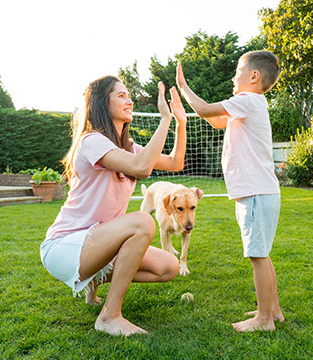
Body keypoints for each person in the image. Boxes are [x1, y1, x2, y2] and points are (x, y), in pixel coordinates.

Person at [40, 76, 187, 337]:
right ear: (100, 103)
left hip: (98, 244)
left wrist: (179, 122)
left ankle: (93, 284)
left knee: (169, 267)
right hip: (65, 247)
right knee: (143, 222)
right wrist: (163, 120)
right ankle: (109, 316)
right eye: (121, 95)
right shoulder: (91, 141)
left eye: (128, 94)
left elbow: (176, 163)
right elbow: (142, 168)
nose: (129, 99)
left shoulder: (129, 148)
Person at [176, 50, 284, 332]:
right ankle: (273, 310)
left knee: (257, 256)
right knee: (263, 253)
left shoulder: (247, 100)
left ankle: (263, 320)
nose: (233, 76)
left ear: (253, 76)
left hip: (256, 194)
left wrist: (184, 88)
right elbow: (215, 119)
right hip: (261, 192)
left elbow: (203, 109)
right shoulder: (251, 104)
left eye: (237, 70)